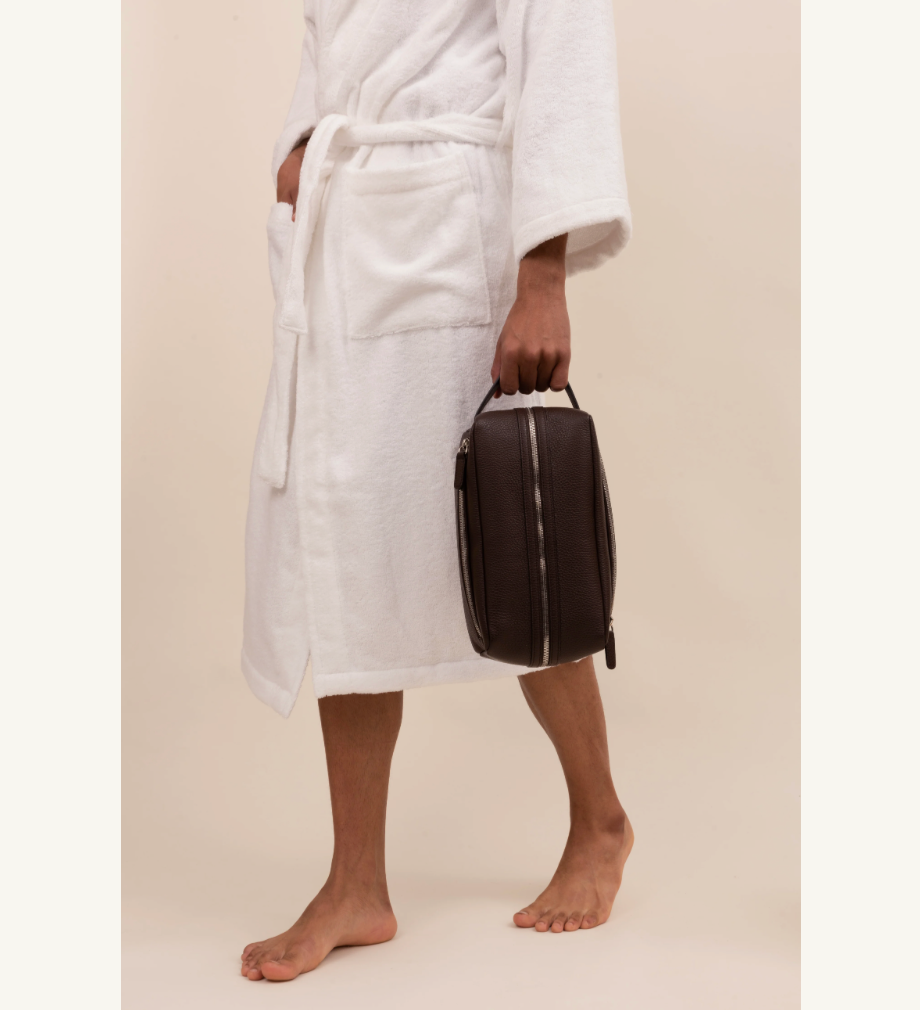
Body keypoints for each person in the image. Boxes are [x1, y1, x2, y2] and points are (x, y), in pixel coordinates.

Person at [240, 0, 633, 982]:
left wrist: (544, 277)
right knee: (346, 547)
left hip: (448, 239)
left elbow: (564, 47)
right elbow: (331, 33)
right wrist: (302, 139)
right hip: (350, 229)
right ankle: (357, 884)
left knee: (511, 542)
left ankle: (601, 819)